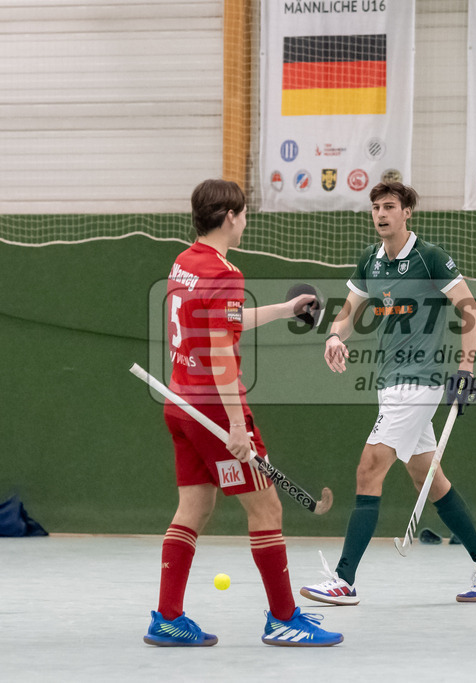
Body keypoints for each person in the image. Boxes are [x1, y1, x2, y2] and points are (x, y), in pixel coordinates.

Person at [146, 178, 342, 647]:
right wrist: (237, 426)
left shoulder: (186, 264)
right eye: (245, 213)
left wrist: (284, 309)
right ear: (231, 216)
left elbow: (222, 322)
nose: (247, 220)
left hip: (181, 404)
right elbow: (219, 356)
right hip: (215, 410)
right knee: (266, 506)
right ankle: (283, 619)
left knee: (194, 506)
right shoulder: (225, 274)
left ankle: (167, 618)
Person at [299, 181, 476, 605]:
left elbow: (469, 308)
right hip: (389, 380)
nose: (381, 214)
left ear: (407, 212)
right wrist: (334, 337)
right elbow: (346, 312)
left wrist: (466, 368)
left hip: (420, 381)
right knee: (427, 477)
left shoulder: (429, 257)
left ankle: (344, 579)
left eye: (389, 206)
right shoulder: (371, 261)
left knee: (369, 468)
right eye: (375, 207)